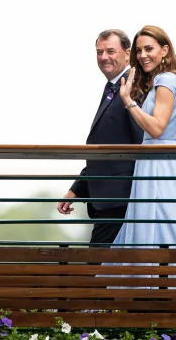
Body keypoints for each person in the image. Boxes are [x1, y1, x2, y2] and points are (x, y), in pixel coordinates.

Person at [57, 29, 145, 246]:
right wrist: (77, 189)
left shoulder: (132, 87)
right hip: (105, 198)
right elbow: (108, 145)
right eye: (99, 52)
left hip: (121, 197)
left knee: (98, 269)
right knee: (105, 271)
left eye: (110, 51)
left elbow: (140, 141)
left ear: (127, 53)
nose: (104, 57)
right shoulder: (113, 87)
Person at [112, 25, 176, 248]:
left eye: (149, 49)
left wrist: (128, 101)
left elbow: (157, 128)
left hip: (156, 165)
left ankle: (148, 279)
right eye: (138, 51)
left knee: (151, 229)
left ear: (165, 50)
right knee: (165, 228)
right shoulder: (175, 80)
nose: (142, 56)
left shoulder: (164, 81)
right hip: (170, 165)